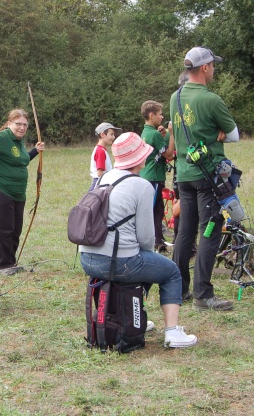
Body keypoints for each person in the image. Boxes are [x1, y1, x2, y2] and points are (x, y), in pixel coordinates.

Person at [79, 132, 197, 348]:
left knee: (147, 265)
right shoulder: (141, 185)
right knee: (170, 271)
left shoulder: (106, 177)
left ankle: (132, 318)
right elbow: (146, 238)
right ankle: (172, 332)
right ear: (139, 158)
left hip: (88, 258)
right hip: (117, 261)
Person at [169, 47, 239, 311]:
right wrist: (219, 132)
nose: (215, 69)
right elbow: (234, 136)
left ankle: (178, 288)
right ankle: (203, 294)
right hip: (208, 176)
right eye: (213, 65)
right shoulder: (212, 100)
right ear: (205, 68)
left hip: (184, 175)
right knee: (209, 230)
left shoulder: (175, 97)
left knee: (185, 232)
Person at [0, 109, 45, 275]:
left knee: (15, 229)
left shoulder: (18, 140)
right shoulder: (3, 137)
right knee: (3, 229)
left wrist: (35, 151)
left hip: (18, 193)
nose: (22, 127)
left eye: (25, 125)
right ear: (9, 124)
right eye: (18, 124)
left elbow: (20, 160)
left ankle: (10, 262)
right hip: (0, 190)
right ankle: (3, 265)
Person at [140, 101, 174, 253]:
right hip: (153, 178)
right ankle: (155, 242)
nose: (162, 117)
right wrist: (171, 134)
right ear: (151, 115)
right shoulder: (154, 134)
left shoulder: (146, 132)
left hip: (148, 176)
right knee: (153, 211)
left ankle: (159, 240)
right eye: (160, 114)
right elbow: (168, 154)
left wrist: (164, 136)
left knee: (158, 210)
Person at [89, 122, 121, 190]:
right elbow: (100, 173)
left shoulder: (101, 150)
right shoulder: (100, 151)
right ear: (103, 134)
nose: (113, 137)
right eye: (111, 134)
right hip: (99, 185)